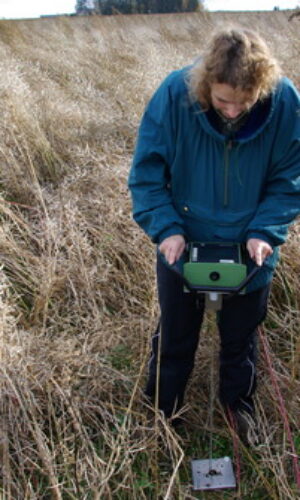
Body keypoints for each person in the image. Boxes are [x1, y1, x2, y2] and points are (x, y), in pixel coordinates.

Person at [128, 26, 300, 435]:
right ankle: (162, 418)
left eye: (246, 102)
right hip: (182, 243)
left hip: (253, 247)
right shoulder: (175, 93)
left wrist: (265, 232)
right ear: (206, 85)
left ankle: (238, 413)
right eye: (224, 100)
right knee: (175, 336)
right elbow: (147, 172)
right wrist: (166, 229)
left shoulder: (286, 102)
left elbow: (290, 178)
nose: (233, 111)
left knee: (240, 340)